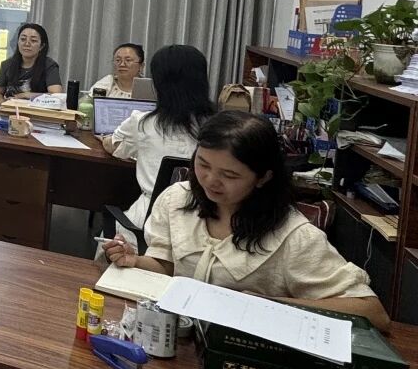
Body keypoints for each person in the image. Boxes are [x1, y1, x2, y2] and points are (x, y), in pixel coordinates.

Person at [103, 110, 389, 332]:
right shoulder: (177, 199)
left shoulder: (293, 235)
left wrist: (269, 305)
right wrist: (135, 261)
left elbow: (373, 312)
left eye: (229, 175)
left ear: (263, 178)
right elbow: (168, 267)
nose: (210, 181)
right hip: (178, 340)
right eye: (203, 164)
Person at [102, 44, 214, 227]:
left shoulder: (142, 123)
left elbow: (114, 145)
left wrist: (105, 139)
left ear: (159, 84)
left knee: (111, 240)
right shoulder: (219, 127)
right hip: (203, 222)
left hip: (150, 221)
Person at [0, 22, 63, 106]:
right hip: (10, 111)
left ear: (42, 46)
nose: (27, 44)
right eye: (23, 39)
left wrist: (26, 95)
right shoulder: (7, 64)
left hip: (36, 112)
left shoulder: (49, 66)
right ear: (18, 42)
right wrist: (5, 105)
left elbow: (56, 95)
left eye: (33, 40)